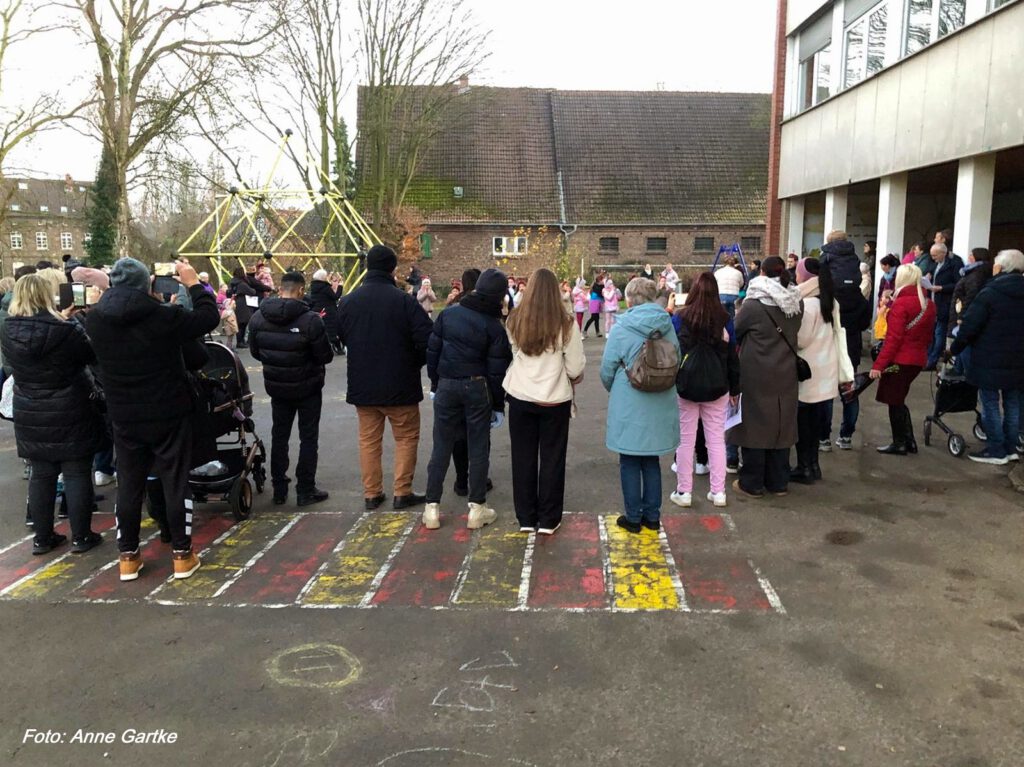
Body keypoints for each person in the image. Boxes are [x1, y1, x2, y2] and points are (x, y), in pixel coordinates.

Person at [86, 259, 220, 581]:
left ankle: (128, 556)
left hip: (124, 413)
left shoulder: (95, 320)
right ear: (147, 284)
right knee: (174, 481)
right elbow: (208, 318)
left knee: (130, 484)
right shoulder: (164, 317)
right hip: (167, 411)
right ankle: (182, 554)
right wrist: (194, 284)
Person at [1, 274, 105, 555]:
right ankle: (82, 535)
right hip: (70, 405)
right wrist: (70, 320)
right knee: (76, 472)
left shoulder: (8, 331)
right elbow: (90, 354)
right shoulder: (65, 330)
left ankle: (42, 537)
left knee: (41, 474)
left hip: (30, 408)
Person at [338, 244, 434, 510]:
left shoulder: (348, 301)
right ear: (393, 269)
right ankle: (402, 491)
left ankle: (372, 493)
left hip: (362, 383)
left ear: (367, 266)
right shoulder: (403, 301)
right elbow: (427, 338)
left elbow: (342, 336)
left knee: (369, 441)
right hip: (400, 382)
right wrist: (414, 362)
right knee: (405, 438)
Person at [423, 269, 512, 530]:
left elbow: (433, 351)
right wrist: (498, 404)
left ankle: (432, 507)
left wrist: (436, 383)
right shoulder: (493, 326)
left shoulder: (449, 314)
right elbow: (497, 371)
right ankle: (477, 506)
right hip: (477, 385)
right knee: (478, 445)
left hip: (448, 383)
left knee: (441, 444)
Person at [503, 268, 585, 534]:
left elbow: (514, 351)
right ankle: (549, 519)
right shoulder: (567, 323)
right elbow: (574, 368)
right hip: (554, 399)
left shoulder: (515, 319)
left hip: (520, 395)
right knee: (552, 458)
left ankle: (526, 517)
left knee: (522, 457)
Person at [600, 277, 680, 533]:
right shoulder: (667, 325)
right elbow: (675, 356)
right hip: (661, 397)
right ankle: (653, 516)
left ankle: (633, 516)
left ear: (630, 299)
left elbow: (607, 367)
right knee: (651, 461)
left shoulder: (624, 327)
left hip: (630, 399)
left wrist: (616, 388)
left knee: (630, 460)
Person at [248, 270, 333, 505]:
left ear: (280, 288)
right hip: (308, 386)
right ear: (301, 291)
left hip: (278, 385)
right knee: (308, 438)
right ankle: (305, 489)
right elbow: (324, 356)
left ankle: (279, 488)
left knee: (280, 435)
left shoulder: (259, 318)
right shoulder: (311, 320)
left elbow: (256, 351)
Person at [729, 256, 803, 498]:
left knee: (754, 426)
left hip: (756, 372)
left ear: (761, 272)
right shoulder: (796, 303)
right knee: (782, 423)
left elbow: (735, 332)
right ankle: (778, 481)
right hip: (786, 372)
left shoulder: (753, 305)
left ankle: (752, 482)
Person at [949, 250, 1024, 465]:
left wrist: (955, 349)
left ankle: (996, 449)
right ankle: (1011, 448)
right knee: (1012, 403)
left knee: (990, 403)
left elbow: (970, 326)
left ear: (1000, 268)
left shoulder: (991, 292)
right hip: (1018, 359)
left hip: (990, 358)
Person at [672, 273, 739, 508]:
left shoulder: (681, 318)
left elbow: (674, 351)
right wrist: (735, 388)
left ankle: (684, 491)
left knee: (685, 440)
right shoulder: (724, 318)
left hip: (686, 386)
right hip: (718, 385)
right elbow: (732, 355)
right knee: (716, 440)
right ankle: (718, 492)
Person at [869, 264, 936, 455]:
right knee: (899, 399)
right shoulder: (928, 304)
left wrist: (878, 365)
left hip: (900, 359)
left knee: (894, 400)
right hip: (917, 358)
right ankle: (909, 440)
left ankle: (900, 442)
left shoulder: (901, 304)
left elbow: (893, 339)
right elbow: (929, 336)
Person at [791, 258, 847, 484]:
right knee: (815, 423)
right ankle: (813, 466)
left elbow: (801, 340)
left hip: (808, 371)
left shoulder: (807, 305)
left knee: (803, 423)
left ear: (804, 276)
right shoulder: (829, 301)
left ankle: (804, 467)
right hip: (826, 370)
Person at [819, 231, 872, 451]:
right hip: (851, 342)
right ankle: (846, 436)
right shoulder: (857, 262)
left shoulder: (825, 261)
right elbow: (863, 322)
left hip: (830, 341)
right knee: (850, 391)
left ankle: (823, 439)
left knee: (826, 394)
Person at [924, 242, 964, 370]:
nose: (933, 258)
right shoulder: (935, 263)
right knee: (931, 333)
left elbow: (958, 284)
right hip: (933, 302)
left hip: (944, 304)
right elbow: (930, 270)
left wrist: (941, 288)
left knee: (939, 333)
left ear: (943, 253)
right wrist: (928, 276)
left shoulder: (955, 263)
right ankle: (927, 358)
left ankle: (932, 360)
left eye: (935, 256)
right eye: (932, 256)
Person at [308, 268, 343, 354]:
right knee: (332, 331)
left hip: (318, 310)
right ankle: (338, 348)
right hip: (329, 311)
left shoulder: (314, 287)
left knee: (322, 330)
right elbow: (335, 296)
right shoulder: (325, 288)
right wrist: (340, 286)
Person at [228, 267, 258, 349]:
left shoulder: (232, 282)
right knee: (243, 323)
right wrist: (253, 289)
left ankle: (240, 341)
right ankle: (240, 342)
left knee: (239, 323)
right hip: (243, 304)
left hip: (236, 302)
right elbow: (252, 292)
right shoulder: (242, 284)